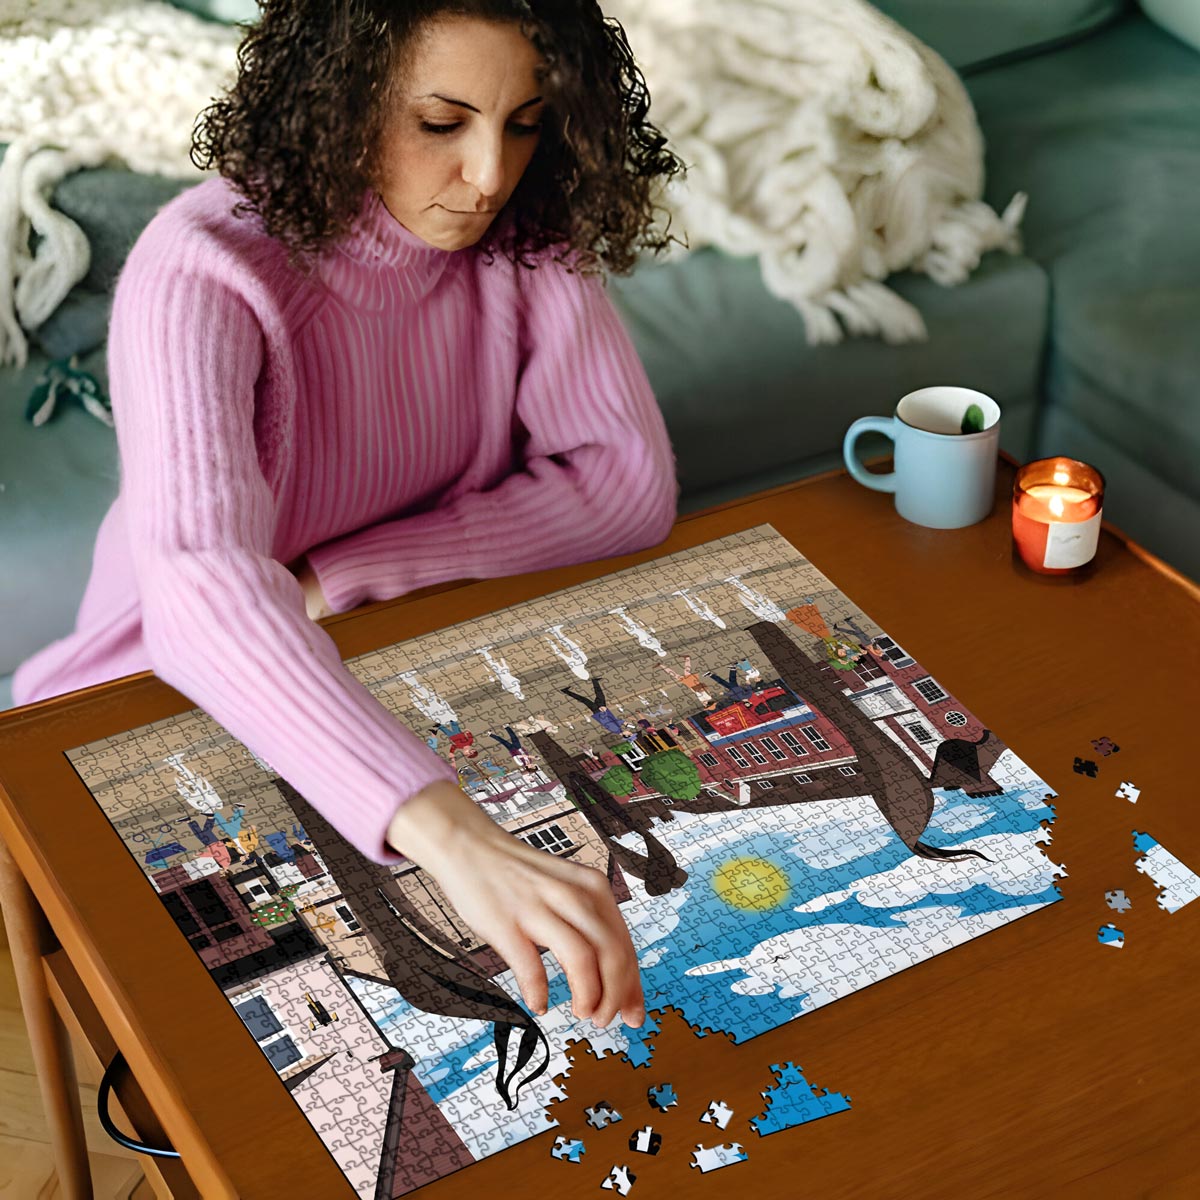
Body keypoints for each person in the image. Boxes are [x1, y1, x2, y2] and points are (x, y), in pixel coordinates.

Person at [11, 0, 685, 1031]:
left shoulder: (529, 232)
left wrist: (347, 574)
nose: (490, 176)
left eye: (524, 122)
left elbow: (626, 484)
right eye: (441, 122)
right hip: (162, 685)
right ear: (344, 101)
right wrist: (453, 834)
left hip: (400, 637)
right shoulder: (201, 264)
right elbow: (200, 588)